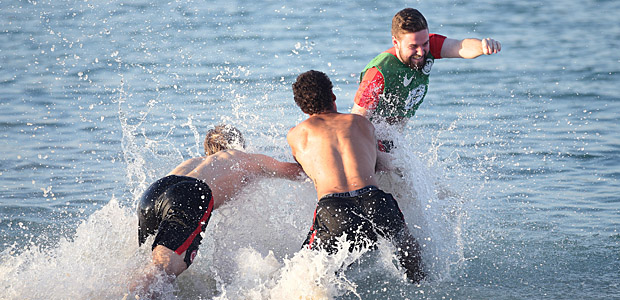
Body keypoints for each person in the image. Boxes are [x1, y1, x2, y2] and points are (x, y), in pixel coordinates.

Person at [287, 70, 425, 283]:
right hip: (375, 201)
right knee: (408, 249)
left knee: (308, 272)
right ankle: (424, 286)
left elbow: (308, 169)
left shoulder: (297, 134)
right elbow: (378, 163)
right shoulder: (362, 124)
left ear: (302, 108)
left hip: (335, 209)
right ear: (332, 96)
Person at [131, 125, 303, 294]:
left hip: (154, 192)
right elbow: (296, 172)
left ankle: (124, 292)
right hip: (191, 194)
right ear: (238, 144)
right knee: (162, 269)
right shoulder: (244, 158)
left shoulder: (194, 163)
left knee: (147, 265)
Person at [352, 8, 502, 152]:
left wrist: (482, 47)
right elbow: (356, 123)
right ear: (395, 42)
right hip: (369, 145)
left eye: (425, 44)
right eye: (413, 46)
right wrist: (377, 158)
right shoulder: (379, 73)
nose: (421, 52)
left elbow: (459, 46)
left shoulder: (428, 47)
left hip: (394, 141)